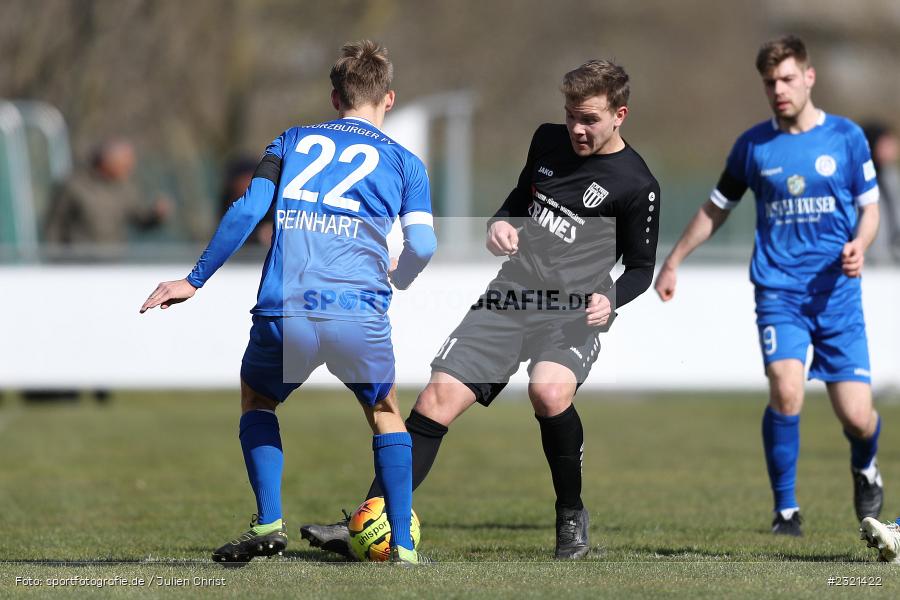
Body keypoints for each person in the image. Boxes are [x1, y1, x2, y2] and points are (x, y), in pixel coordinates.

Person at [301, 59, 661, 560]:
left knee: (548, 391)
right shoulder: (547, 141)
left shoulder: (636, 184)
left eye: (591, 119)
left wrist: (612, 298)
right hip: (512, 295)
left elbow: (642, 268)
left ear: (619, 114)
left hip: (572, 313)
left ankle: (571, 516)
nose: (577, 128)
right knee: (434, 402)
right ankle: (369, 518)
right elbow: (519, 198)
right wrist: (500, 224)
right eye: (571, 115)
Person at [139, 40, 437, 565]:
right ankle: (405, 550)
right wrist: (404, 274)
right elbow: (425, 245)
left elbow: (247, 210)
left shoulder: (292, 140)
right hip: (356, 311)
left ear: (334, 96)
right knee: (385, 413)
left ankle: (268, 522)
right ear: (387, 99)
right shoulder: (406, 163)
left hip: (287, 307)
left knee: (259, 401)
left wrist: (195, 280)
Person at [654, 35, 883, 536]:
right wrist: (672, 261)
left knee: (857, 417)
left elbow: (870, 208)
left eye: (786, 78)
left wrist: (860, 244)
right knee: (786, 388)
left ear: (808, 76)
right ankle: (786, 511)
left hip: (837, 295)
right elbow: (717, 208)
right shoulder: (753, 146)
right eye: (768, 83)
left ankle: (865, 464)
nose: (778, 89)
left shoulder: (846, 138)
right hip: (779, 290)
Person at [45, 139, 171, 258]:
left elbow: (139, 219)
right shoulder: (73, 185)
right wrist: (55, 261)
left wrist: (155, 215)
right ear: (107, 162)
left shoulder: (124, 188)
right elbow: (54, 226)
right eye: (125, 164)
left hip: (112, 267)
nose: (129, 169)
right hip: (79, 266)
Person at [861, 122, 900, 263]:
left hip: (892, 262)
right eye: (886, 145)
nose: (893, 150)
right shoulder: (859, 181)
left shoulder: (891, 177)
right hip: (868, 264)